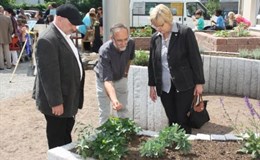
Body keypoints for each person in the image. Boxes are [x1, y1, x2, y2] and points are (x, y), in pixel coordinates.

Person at [32, 4, 85, 149]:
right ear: (60, 19)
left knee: (65, 133)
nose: (75, 28)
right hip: (58, 101)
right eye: (72, 24)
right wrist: (55, 102)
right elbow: (48, 75)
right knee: (57, 138)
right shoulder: (47, 40)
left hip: (68, 96)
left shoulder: (63, 34)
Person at [148, 4, 205, 134]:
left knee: (181, 118)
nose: (158, 28)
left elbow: (195, 59)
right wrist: (152, 85)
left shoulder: (185, 33)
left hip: (184, 84)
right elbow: (152, 63)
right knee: (171, 117)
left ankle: (183, 145)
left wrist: (199, 82)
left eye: (161, 25)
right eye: (156, 26)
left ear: (169, 20)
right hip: (164, 86)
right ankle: (173, 142)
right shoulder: (155, 38)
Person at [94, 23, 135, 125]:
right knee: (104, 112)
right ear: (112, 38)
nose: (124, 43)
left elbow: (130, 58)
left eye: (126, 39)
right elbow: (107, 81)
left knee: (123, 109)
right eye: (119, 40)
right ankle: (104, 136)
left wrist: (125, 73)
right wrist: (114, 100)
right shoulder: (105, 51)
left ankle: (125, 132)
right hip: (103, 80)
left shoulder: (131, 43)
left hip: (120, 77)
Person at [0, 5, 13, 70]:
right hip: (6, 37)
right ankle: (9, 65)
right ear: (2, 10)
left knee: (0, 52)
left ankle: (1, 66)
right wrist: (8, 34)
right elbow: (11, 30)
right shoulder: (8, 18)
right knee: (7, 51)